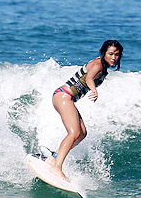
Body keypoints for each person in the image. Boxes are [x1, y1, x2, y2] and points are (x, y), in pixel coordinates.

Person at [45, 40, 123, 181]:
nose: (113, 57)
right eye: (110, 54)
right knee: (74, 133)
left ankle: (53, 158)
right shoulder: (97, 64)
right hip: (63, 96)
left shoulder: (104, 68)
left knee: (82, 133)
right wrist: (94, 90)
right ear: (104, 53)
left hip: (67, 98)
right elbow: (89, 78)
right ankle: (56, 167)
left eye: (116, 55)